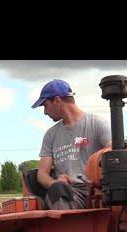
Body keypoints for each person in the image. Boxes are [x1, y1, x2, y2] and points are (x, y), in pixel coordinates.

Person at [32, 79, 112, 209]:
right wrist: (54, 182)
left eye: (45, 106)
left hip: (97, 189)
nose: (45, 112)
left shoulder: (97, 124)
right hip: (68, 192)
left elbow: (113, 151)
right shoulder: (51, 135)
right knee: (57, 190)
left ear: (57, 101)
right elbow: (42, 175)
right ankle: (70, 226)